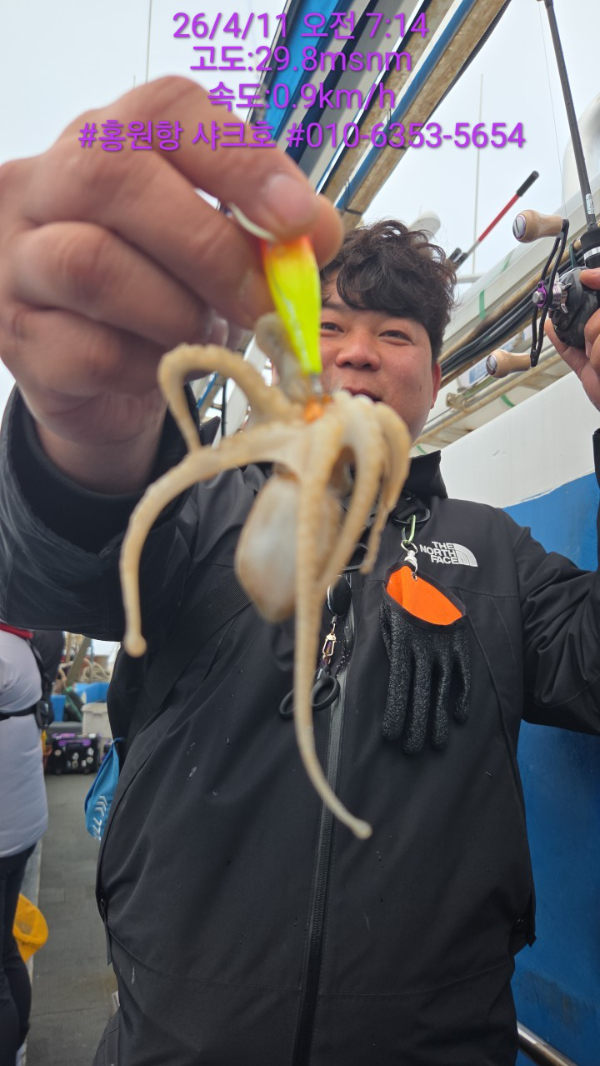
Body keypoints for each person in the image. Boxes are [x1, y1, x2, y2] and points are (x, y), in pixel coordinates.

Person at [0, 77, 599, 1066]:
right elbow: (62, 558)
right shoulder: (194, 523)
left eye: (396, 335)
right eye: (328, 329)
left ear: (434, 379)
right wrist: (86, 433)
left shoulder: (500, 559)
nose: (359, 354)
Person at [0, 624, 49, 1066]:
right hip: (22, 826)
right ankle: (16, 1046)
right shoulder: (20, 643)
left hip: (5, 834)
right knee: (6, 950)